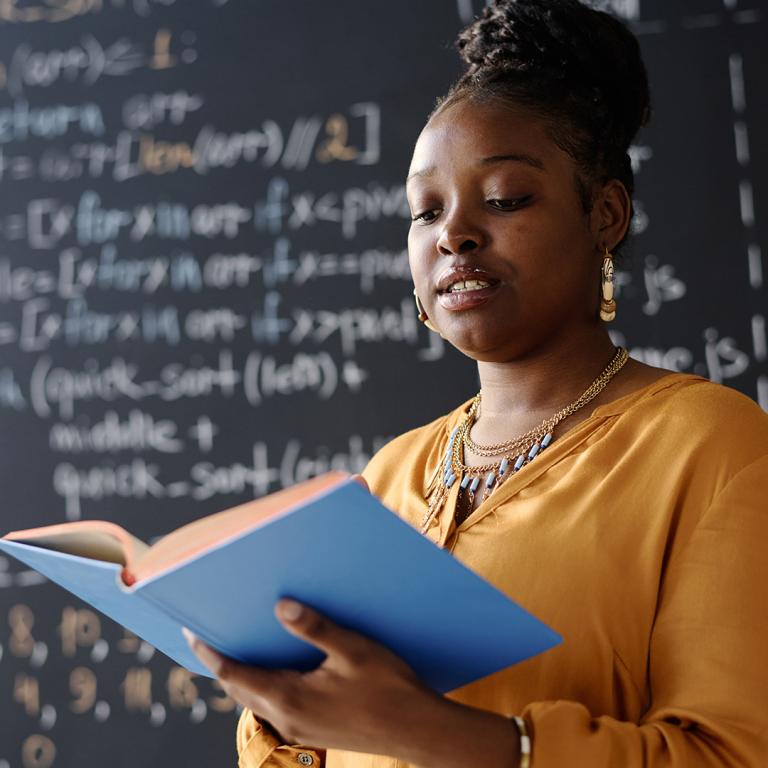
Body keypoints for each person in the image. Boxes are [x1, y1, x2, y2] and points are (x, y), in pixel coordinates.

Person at [184, 1, 768, 765]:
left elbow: (731, 754)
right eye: (426, 211)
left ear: (606, 214)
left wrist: (421, 728)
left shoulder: (714, 446)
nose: (454, 234)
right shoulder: (392, 475)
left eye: (504, 199)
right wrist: (283, 712)